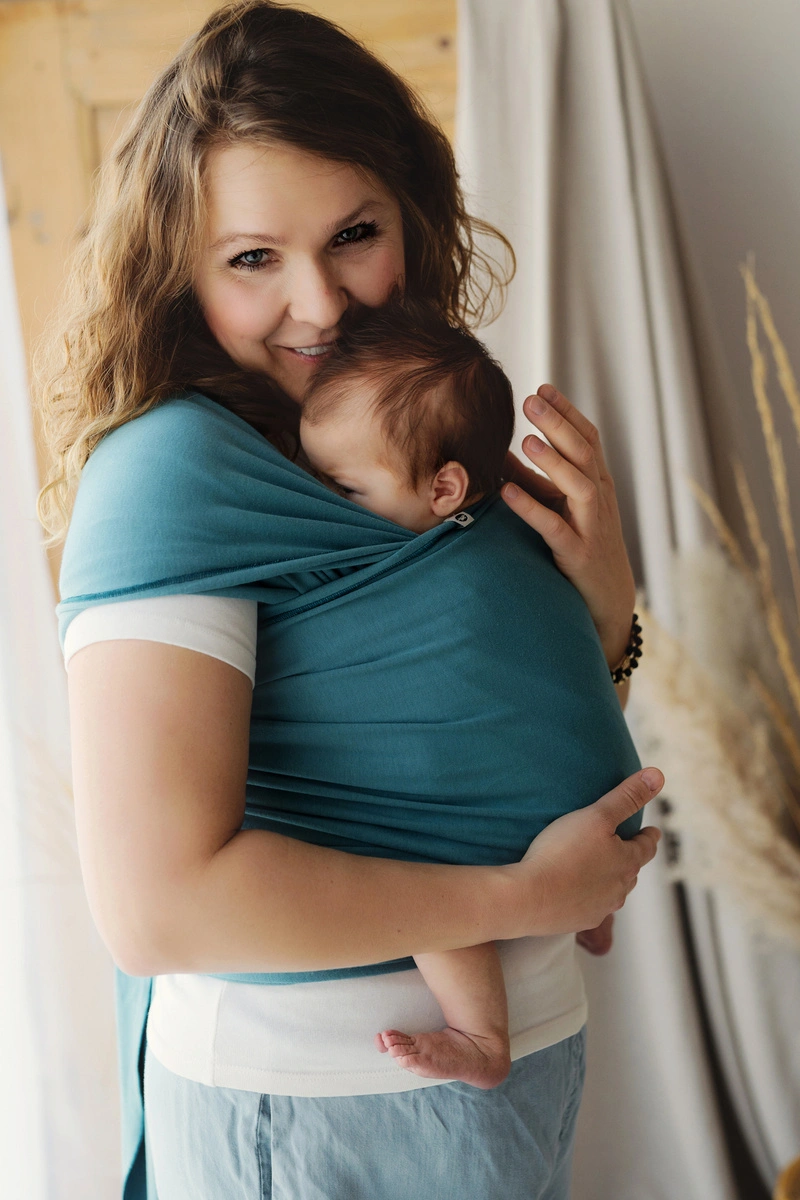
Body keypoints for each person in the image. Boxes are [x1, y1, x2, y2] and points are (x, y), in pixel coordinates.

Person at [39, 3, 663, 1198]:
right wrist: (527, 895)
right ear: (179, 269)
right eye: (252, 259)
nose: (320, 305)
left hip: (522, 1071)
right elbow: (159, 909)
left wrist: (603, 615)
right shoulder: (176, 475)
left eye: (353, 235)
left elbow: (474, 731)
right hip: (321, 1105)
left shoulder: (411, 424)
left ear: (410, 215)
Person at [298, 297, 643, 1092]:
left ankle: (483, 1038)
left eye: (344, 489)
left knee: (415, 860)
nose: (324, 506)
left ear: (446, 488)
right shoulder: (517, 528)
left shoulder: (441, 563)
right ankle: (588, 911)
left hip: (523, 814)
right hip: (597, 803)